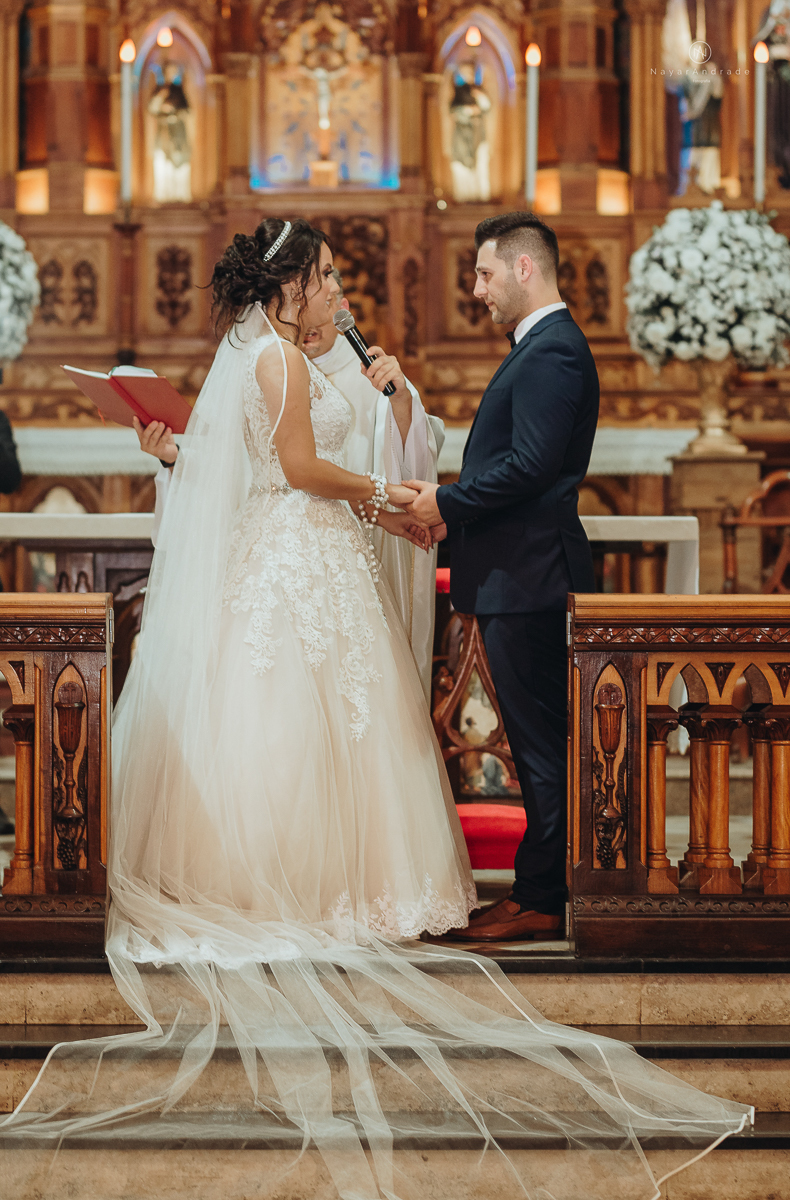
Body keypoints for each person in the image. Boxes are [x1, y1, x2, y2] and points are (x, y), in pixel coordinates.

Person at [2, 218, 750, 1200]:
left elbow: (263, 457)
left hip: (321, 560)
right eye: (320, 276)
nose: (332, 288)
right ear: (289, 286)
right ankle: (309, 887)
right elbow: (294, 468)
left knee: (344, 728)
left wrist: (389, 489)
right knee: (290, 725)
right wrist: (379, 493)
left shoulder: (289, 355)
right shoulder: (271, 356)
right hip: (300, 559)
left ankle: (481, 884)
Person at [406, 211, 598, 944]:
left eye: (485, 273)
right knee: (536, 743)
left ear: (525, 269)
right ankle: (537, 889)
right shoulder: (542, 347)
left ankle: (543, 898)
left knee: (542, 748)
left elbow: (533, 466)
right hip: (521, 574)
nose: (477, 288)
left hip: (531, 579)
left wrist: (446, 503)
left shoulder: (552, 352)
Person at [136, 267, 443, 694]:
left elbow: (407, 463)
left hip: (361, 552)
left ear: (340, 311)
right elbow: (261, 470)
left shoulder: (376, 374)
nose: (309, 332)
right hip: (290, 548)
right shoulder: (276, 362)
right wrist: (175, 459)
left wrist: (403, 405)